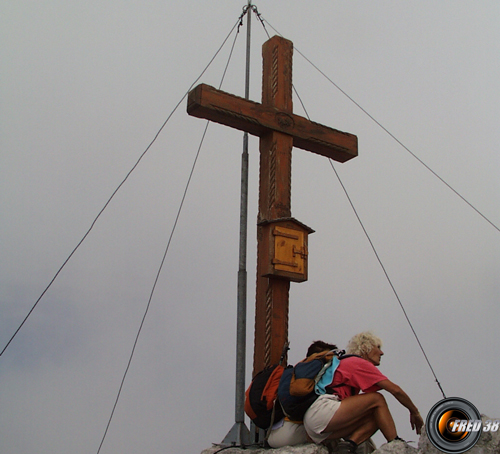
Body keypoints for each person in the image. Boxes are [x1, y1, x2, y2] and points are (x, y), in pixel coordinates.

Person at [303, 332, 424, 454]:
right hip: (322, 412)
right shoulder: (357, 362)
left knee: (378, 416)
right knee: (377, 399)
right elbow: (395, 390)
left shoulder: (344, 362)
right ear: (366, 347)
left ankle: (348, 447)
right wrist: (415, 412)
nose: (382, 353)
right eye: (378, 347)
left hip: (317, 427)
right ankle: (395, 444)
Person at [267, 340, 338, 448]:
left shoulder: (292, 375)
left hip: (274, 433)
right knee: (348, 424)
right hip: (290, 433)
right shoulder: (310, 380)